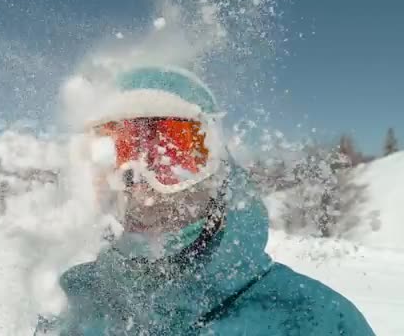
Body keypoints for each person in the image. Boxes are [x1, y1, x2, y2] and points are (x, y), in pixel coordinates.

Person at [35, 65, 375, 335]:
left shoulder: (314, 320)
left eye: (173, 153)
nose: (141, 186)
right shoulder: (71, 303)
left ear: (218, 170)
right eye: (117, 153)